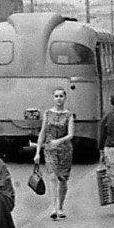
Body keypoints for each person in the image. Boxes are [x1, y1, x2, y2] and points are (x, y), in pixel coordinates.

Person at [33, 87, 74, 220]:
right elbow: (43, 132)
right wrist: (37, 152)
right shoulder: (47, 114)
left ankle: (60, 206)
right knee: (52, 176)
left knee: (63, 179)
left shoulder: (69, 115)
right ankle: (53, 207)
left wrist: (59, 141)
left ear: (65, 98)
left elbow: (70, 134)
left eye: (61, 96)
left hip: (65, 150)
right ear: (53, 98)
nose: (58, 99)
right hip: (50, 149)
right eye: (56, 96)